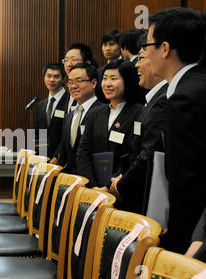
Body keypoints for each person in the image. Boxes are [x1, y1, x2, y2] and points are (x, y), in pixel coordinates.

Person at [143, 7, 206, 254]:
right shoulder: (197, 85)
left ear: (165, 48)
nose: (146, 53)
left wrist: (179, 234)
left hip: (192, 233)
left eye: (148, 45)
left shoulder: (185, 99)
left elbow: (188, 178)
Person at [109, 42, 168, 214]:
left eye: (141, 58)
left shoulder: (162, 101)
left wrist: (120, 186)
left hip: (144, 198)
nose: (136, 64)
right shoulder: (152, 100)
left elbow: (147, 155)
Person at [76, 60, 143, 188]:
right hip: (93, 189)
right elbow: (83, 152)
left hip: (120, 188)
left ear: (127, 81)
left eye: (113, 78)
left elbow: (133, 155)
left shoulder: (139, 113)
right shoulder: (95, 114)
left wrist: (108, 187)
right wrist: (92, 185)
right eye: (105, 78)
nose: (107, 84)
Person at [55, 63, 102, 173]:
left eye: (79, 81)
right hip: (71, 182)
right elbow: (64, 154)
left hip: (93, 182)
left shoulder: (103, 112)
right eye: (70, 82)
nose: (73, 86)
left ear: (94, 83)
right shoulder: (70, 116)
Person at [34, 63, 69, 158]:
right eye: (48, 76)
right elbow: (37, 134)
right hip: (43, 158)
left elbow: (69, 135)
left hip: (63, 157)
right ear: (44, 78)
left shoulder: (71, 101)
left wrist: (57, 156)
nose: (52, 80)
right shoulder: (41, 105)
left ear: (62, 79)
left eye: (56, 76)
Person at [97, 30, 123, 103]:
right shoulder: (99, 71)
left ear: (120, 46)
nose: (107, 48)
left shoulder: (126, 67)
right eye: (105, 45)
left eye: (111, 44)